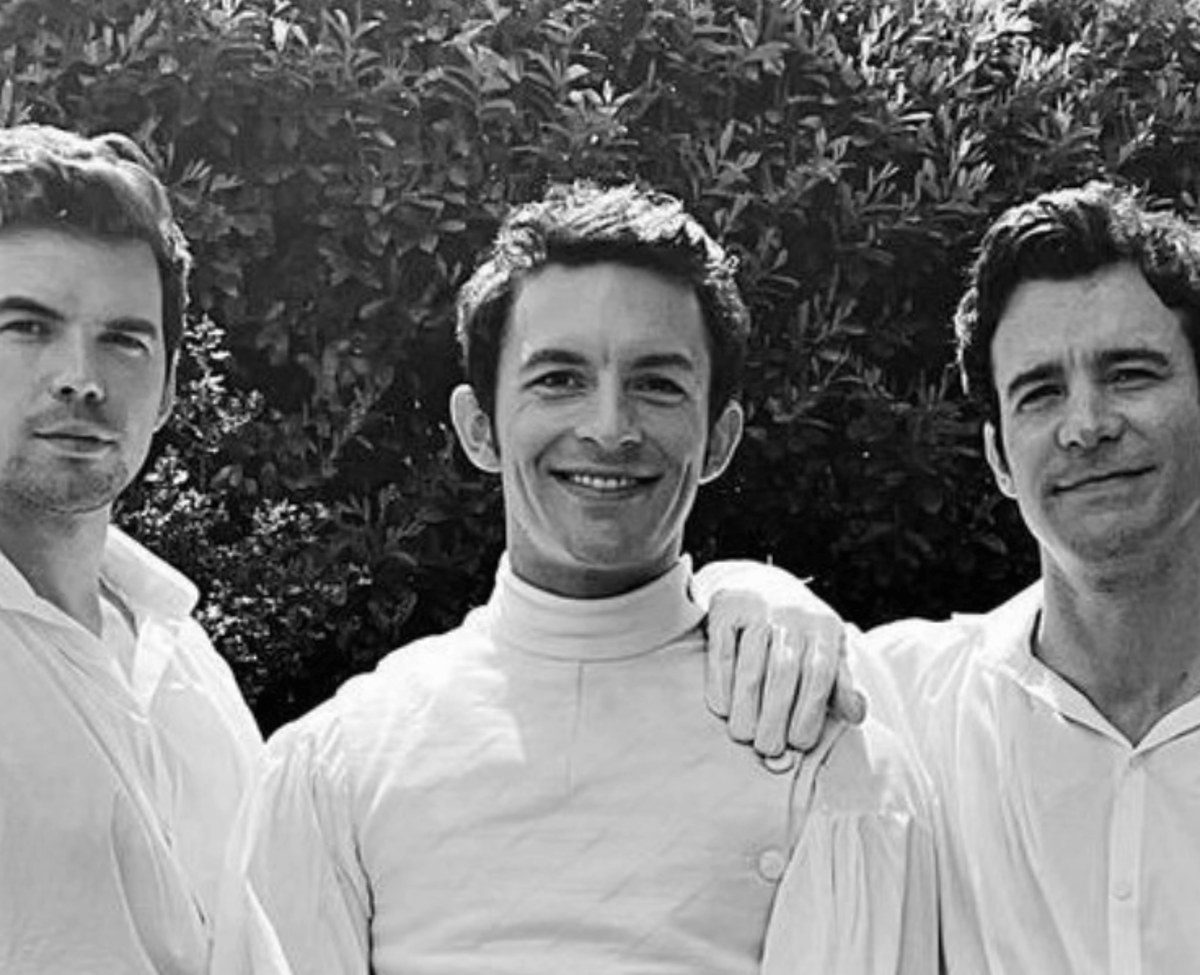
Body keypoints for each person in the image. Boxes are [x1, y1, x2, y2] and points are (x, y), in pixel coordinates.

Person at [213, 181, 937, 975]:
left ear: (720, 439)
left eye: (657, 384)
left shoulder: (820, 755)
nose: (608, 428)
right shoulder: (341, 762)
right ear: (479, 427)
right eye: (558, 378)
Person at [722, 179, 1200, 972]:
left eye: (1131, 374)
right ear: (998, 458)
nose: (1086, 425)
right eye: (1040, 393)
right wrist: (748, 588)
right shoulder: (901, 706)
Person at [0, 125, 262, 975]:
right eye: (26, 327)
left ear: (171, 388)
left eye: (124, 339)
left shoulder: (181, 652)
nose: (81, 377)